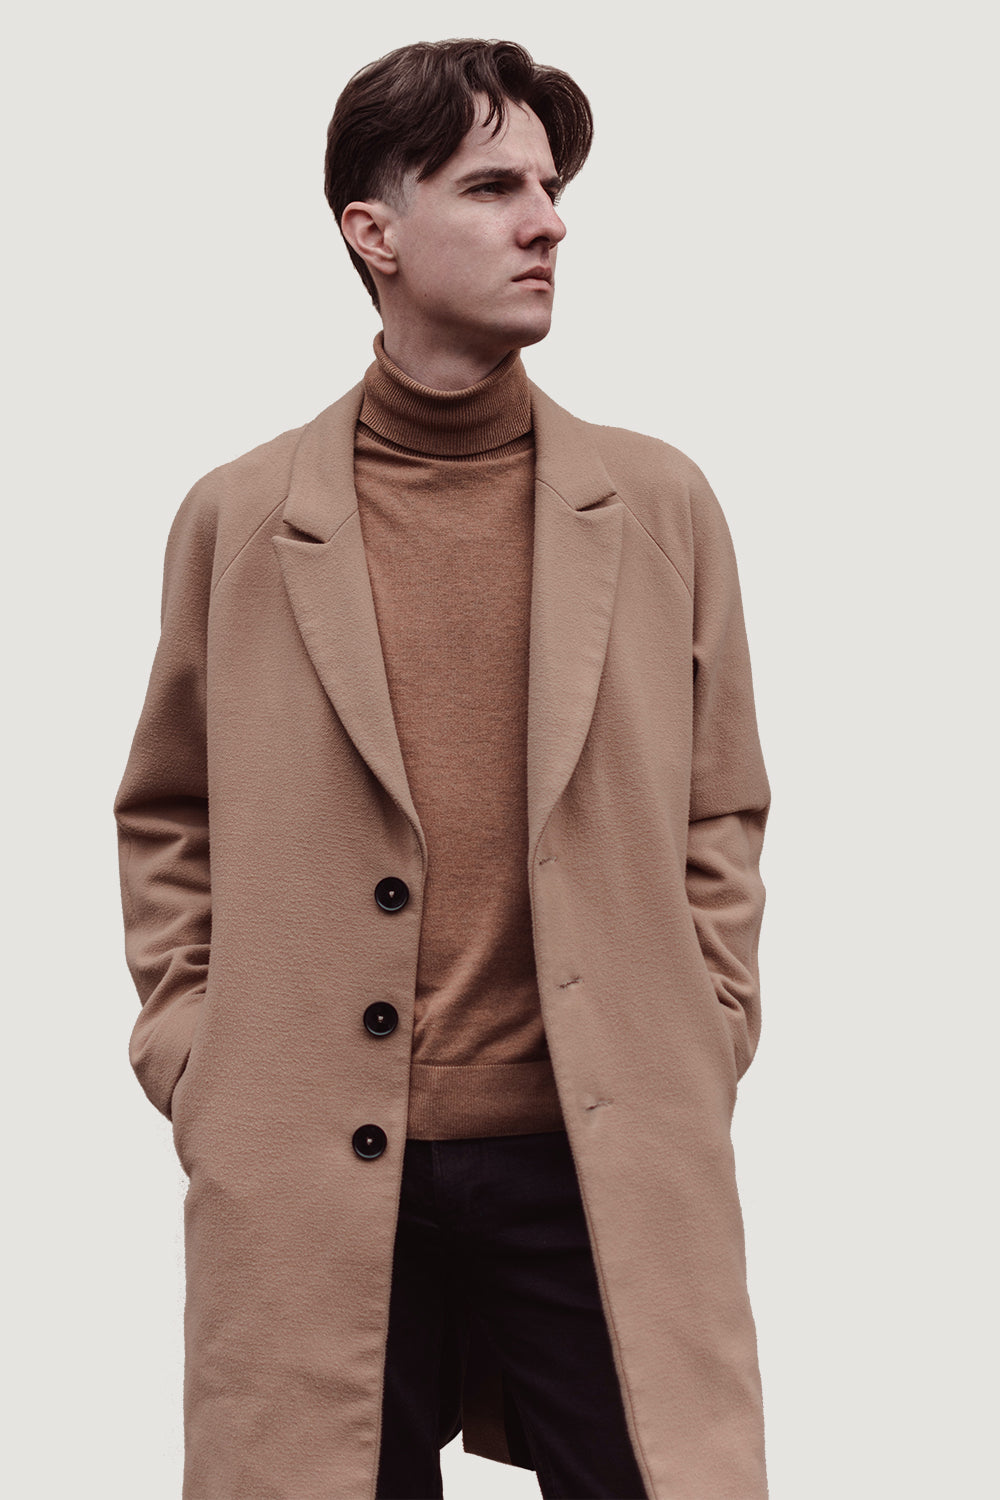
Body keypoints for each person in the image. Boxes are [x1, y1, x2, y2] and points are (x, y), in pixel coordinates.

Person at [113, 37, 771, 1500]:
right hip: (310, 1158)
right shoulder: (239, 518)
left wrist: (709, 1021)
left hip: (598, 1155)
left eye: (551, 188)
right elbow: (168, 813)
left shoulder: (659, 505)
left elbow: (722, 806)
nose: (548, 222)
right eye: (494, 187)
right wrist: (197, 1055)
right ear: (375, 231)